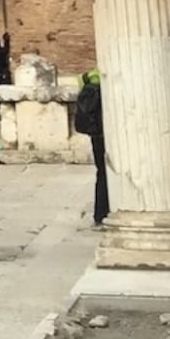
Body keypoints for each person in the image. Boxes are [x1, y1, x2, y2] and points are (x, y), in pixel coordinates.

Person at [72, 68, 108, 225]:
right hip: (109, 132)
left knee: (101, 173)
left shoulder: (86, 77)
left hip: (96, 132)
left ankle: (99, 214)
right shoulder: (109, 75)